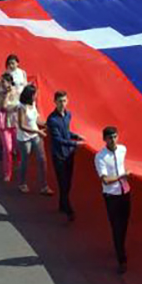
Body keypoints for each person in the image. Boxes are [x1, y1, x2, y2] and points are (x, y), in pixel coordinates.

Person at [95, 126, 132, 274]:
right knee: (116, 226)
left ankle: (119, 245)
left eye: (115, 136)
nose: (113, 140)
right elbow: (105, 180)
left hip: (125, 192)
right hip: (111, 195)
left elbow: (123, 165)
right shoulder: (100, 157)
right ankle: (121, 258)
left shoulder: (123, 149)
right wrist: (121, 176)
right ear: (104, 139)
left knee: (124, 224)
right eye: (110, 137)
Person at [48, 90, 85, 221]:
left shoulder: (68, 115)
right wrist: (75, 144)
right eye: (59, 101)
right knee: (63, 183)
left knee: (68, 183)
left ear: (67, 101)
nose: (62, 104)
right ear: (55, 102)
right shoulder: (52, 120)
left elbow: (66, 132)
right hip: (59, 156)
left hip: (69, 155)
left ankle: (62, 204)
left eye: (64, 101)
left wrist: (76, 136)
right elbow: (57, 139)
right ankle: (69, 210)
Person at [16, 84, 54, 195]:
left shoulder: (33, 104)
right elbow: (22, 125)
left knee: (42, 159)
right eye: (35, 94)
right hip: (24, 138)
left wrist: (46, 124)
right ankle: (22, 183)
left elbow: (36, 119)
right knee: (25, 160)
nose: (36, 96)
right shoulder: (21, 107)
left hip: (35, 135)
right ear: (30, 95)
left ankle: (44, 186)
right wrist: (38, 131)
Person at [0, 74, 20, 183]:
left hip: (16, 123)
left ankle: (19, 165)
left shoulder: (17, 92)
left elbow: (20, 106)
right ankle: (7, 172)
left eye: (3, 82)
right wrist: (7, 94)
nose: (2, 84)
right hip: (4, 124)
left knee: (18, 146)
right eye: (1, 82)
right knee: (7, 149)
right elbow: (3, 106)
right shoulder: (0, 94)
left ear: (10, 82)